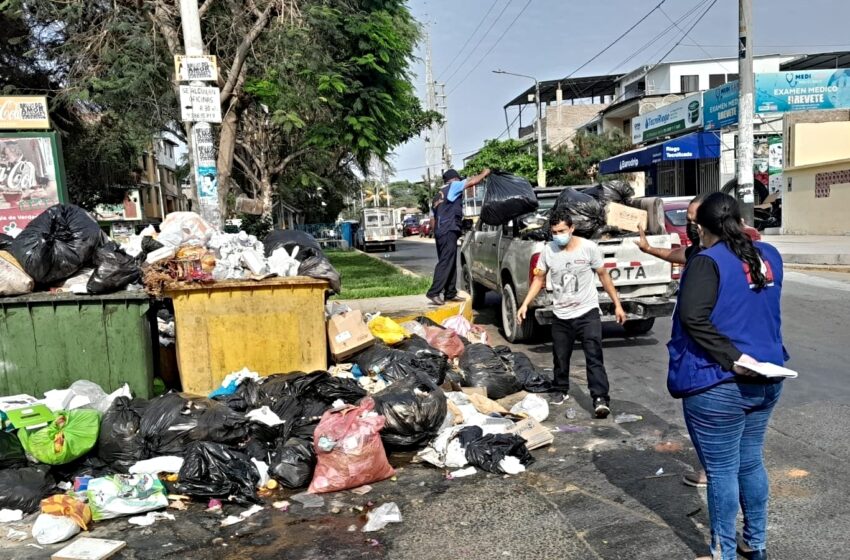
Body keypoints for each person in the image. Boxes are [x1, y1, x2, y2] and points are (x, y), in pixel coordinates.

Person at [667, 192, 786, 560]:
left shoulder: (707, 262)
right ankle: (756, 543)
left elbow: (692, 317)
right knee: (750, 461)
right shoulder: (770, 257)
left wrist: (732, 358)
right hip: (769, 376)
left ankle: (723, 552)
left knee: (721, 471)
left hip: (719, 381)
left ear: (702, 227)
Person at [517, 206, 626, 419]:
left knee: (594, 356)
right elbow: (539, 278)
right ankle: (560, 388)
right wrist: (525, 304)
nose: (558, 236)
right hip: (561, 314)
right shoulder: (548, 250)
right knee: (560, 355)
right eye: (555, 232)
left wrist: (617, 304)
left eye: (562, 231)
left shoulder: (588, 248)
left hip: (587, 312)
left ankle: (600, 398)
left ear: (572, 228)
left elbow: (603, 275)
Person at [637, 194, 709, 488]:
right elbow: (677, 254)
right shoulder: (697, 252)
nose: (690, 226)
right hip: (691, 350)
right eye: (688, 220)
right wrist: (648, 248)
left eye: (694, 220)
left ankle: (713, 475)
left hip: (706, 356)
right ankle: (715, 470)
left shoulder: (716, 260)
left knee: (706, 422)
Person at [426, 168, 490, 306]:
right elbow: (472, 182)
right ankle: (434, 292)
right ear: (454, 179)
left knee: (450, 261)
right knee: (445, 262)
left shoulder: (437, 196)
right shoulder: (453, 186)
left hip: (440, 231)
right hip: (448, 229)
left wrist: (436, 232)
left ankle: (450, 292)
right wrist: (484, 173)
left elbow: (432, 219)